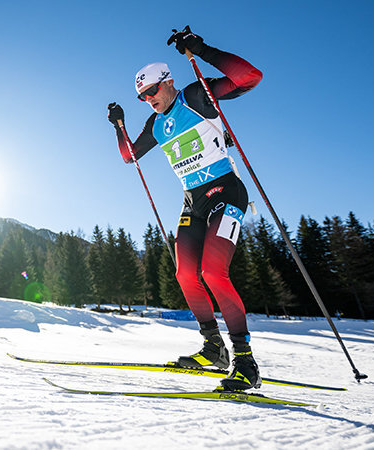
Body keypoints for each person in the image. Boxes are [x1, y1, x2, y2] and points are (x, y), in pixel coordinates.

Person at [106, 27, 263, 391]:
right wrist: (120, 126)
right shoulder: (155, 123)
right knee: (186, 276)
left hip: (226, 190)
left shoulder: (196, 95)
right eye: (142, 97)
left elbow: (250, 77)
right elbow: (130, 155)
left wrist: (201, 49)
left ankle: (246, 363)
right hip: (193, 200)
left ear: (168, 81)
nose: (149, 99)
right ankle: (213, 348)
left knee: (214, 272)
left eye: (152, 91)